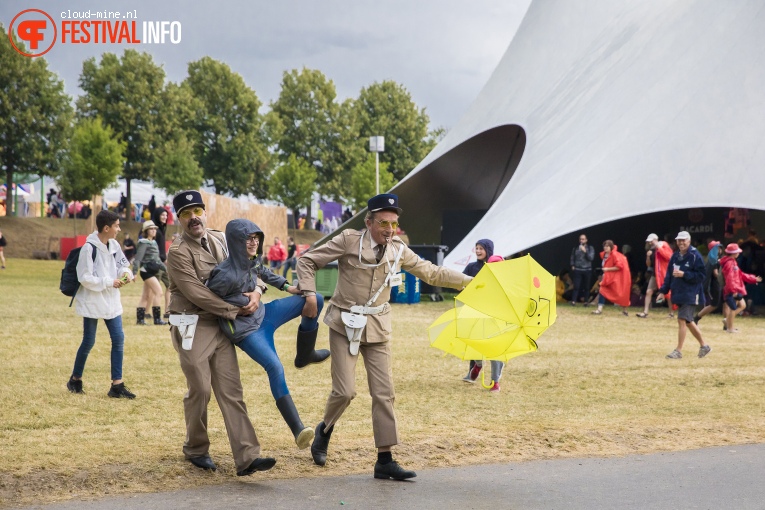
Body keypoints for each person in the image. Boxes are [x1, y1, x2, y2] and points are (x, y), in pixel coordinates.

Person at [296, 193, 473, 481]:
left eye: (394, 223)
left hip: (377, 327)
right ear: (369, 222)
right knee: (345, 392)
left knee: (384, 393)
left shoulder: (398, 249)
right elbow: (306, 262)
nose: (390, 229)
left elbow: (432, 273)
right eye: (383, 223)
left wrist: (469, 283)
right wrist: (308, 293)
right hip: (344, 323)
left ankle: (385, 459)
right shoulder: (348, 240)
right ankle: (324, 429)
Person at [166, 190, 275, 476]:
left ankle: (248, 457)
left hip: (221, 325)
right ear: (178, 219)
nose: (193, 218)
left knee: (231, 390)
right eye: (186, 214)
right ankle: (196, 448)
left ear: (205, 212)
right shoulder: (178, 252)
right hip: (193, 323)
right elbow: (197, 293)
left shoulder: (219, 239)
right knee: (200, 389)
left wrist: (258, 291)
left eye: (197, 211)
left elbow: (249, 267)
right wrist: (236, 310)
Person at [206, 219, 329, 450]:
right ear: (235, 241)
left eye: (256, 238)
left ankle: (305, 355)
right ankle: (298, 429)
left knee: (315, 300)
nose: (253, 243)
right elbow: (209, 301)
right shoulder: (223, 275)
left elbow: (262, 272)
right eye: (248, 239)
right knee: (275, 367)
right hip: (247, 332)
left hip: (266, 315)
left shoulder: (252, 260)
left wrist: (288, 287)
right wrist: (236, 308)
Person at [67, 210, 136, 398]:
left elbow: (123, 265)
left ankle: (117, 384)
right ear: (106, 228)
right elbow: (84, 277)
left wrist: (126, 275)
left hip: (112, 301)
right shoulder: (89, 248)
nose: (119, 229)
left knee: (118, 338)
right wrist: (109, 282)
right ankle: (75, 379)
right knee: (89, 341)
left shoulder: (114, 244)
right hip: (93, 301)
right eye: (116, 226)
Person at [657, 231, 711, 359]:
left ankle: (678, 351)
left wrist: (684, 274)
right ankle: (704, 346)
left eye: (684, 240)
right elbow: (669, 276)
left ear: (689, 241)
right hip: (679, 293)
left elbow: (701, 276)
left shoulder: (695, 255)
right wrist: (662, 291)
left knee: (682, 320)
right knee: (688, 321)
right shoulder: (675, 256)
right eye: (679, 240)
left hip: (691, 294)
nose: (681, 242)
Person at [461, 239, 494, 383]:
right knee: (472, 339)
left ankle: (495, 378)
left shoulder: (494, 268)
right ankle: (472, 371)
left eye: (481, 248)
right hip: (472, 308)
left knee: (489, 341)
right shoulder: (471, 267)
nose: (478, 251)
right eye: (477, 248)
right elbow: (462, 282)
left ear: (488, 250)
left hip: (489, 309)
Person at [719, 243, 762, 333]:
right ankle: (730, 328)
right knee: (734, 308)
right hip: (733, 290)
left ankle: (728, 321)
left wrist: (753, 279)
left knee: (742, 306)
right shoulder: (730, 264)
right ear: (734, 253)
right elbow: (730, 278)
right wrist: (733, 291)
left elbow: (740, 275)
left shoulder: (732, 262)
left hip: (735, 288)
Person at [132, 221, 167, 326]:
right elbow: (138, 259)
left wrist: (165, 269)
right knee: (159, 292)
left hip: (152, 270)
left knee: (146, 296)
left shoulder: (154, 242)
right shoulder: (143, 243)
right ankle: (157, 319)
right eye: (151, 229)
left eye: (155, 229)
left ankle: (140, 320)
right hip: (146, 271)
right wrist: (134, 272)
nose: (154, 230)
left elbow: (157, 260)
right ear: (146, 231)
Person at [636, 233, 674, 318]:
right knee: (648, 291)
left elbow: (669, 257)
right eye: (648, 242)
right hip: (656, 273)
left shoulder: (663, 245)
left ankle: (671, 313)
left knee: (667, 293)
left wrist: (659, 248)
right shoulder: (652, 250)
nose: (649, 243)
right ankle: (645, 312)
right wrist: (648, 257)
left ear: (655, 240)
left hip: (664, 273)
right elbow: (649, 265)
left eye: (651, 241)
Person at [591, 240, 631, 316]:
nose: (605, 248)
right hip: (608, 277)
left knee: (620, 293)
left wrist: (607, 269)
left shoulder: (615, 255)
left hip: (616, 278)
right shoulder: (604, 255)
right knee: (602, 290)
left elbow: (619, 266)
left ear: (611, 247)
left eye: (607, 246)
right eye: (604, 246)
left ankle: (625, 310)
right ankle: (599, 309)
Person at [693, 240, 723, 324]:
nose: (720, 250)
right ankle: (697, 317)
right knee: (714, 304)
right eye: (718, 248)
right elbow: (716, 274)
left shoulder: (711, 258)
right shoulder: (714, 260)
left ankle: (697, 317)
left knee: (716, 304)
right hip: (714, 284)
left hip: (712, 284)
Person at [152, 207, 171, 317]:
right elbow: (155, 249)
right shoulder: (157, 231)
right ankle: (159, 314)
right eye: (162, 215)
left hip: (161, 263)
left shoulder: (161, 230)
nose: (165, 217)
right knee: (157, 290)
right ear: (158, 216)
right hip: (158, 264)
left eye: (166, 215)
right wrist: (163, 260)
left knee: (168, 286)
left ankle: (167, 312)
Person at [569, 233, 595, 305]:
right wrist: (572, 265)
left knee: (587, 286)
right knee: (576, 286)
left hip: (587, 269)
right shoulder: (576, 248)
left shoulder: (590, 248)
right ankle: (573, 301)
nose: (581, 240)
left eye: (583, 239)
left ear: (586, 240)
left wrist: (585, 251)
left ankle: (586, 301)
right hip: (578, 269)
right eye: (580, 239)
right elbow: (572, 257)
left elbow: (591, 258)